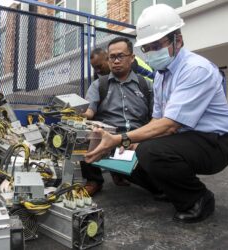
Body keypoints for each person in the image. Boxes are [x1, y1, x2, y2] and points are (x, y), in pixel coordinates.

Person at [85, 4, 228, 223]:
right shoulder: (161, 75)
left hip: (215, 143)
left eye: (156, 45)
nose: (151, 52)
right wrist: (127, 144)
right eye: (147, 47)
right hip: (184, 138)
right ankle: (165, 187)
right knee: (127, 155)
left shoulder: (195, 69)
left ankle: (198, 198)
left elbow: (169, 125)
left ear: (177, 40)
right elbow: (157, 120)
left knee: (150, 150)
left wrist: (120, 138)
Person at [81, 37, 153, 196]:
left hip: (137, 139)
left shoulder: (145, 85)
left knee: (156, 188)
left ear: (132, 58)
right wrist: (79, 113)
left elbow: (156, 118)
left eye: (120, 56)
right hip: (108, 139)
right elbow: (89, 111)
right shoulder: (99, 85)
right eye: (112, 57)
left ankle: (122, 172)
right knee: (81, 137)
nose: (116, 61)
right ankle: (94, 181)